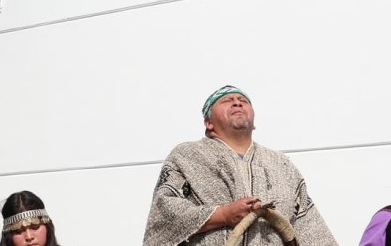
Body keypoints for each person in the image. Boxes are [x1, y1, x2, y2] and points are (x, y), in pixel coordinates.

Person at [143, 85, 338, 246]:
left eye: (243, 101)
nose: (237, 102)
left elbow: (310, 225)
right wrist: (223, 214)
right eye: (226, 101)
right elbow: (163, 214)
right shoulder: (187, 156)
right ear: (208, 123)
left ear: (254, 123)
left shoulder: (282, 165)